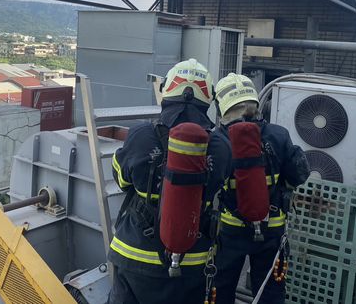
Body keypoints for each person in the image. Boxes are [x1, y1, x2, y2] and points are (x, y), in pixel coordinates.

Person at [108, 59, 230, 304]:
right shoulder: (220, 146)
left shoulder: (142, 135)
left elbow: (121, 179)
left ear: (167, 90)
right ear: (208, 97)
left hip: (135, 255)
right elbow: (219, 188)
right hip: (193, 260)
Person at [210, 73, 310, 304]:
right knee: (270, 292)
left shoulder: (218, 141)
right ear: (255, 103)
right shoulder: (278, 135)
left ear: (223, 108)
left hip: (230, 230)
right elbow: (299, 174)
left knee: (221, 289)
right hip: (272, 230)